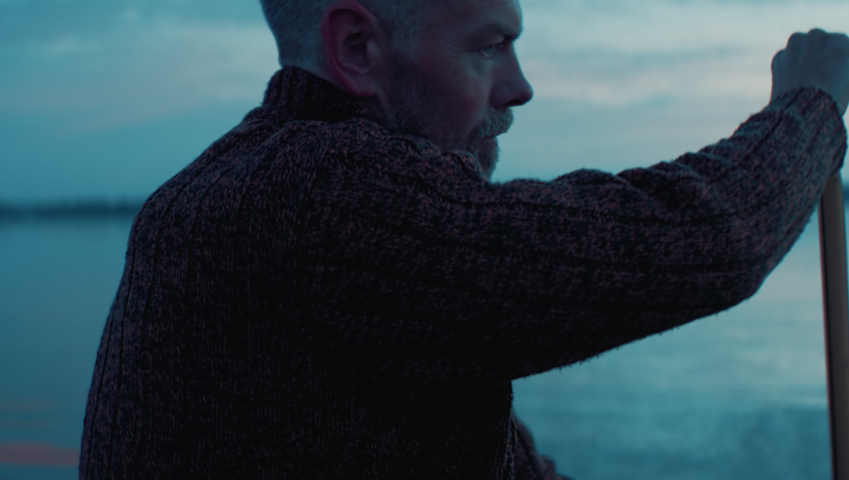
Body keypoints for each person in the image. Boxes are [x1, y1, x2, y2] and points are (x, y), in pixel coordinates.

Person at [78, 0, 849, 477]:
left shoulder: (240, 188)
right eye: (487, 45)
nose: (519, 87)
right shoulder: (321, 197)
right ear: (357, 49)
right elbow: (710, 238)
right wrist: (810, 104)